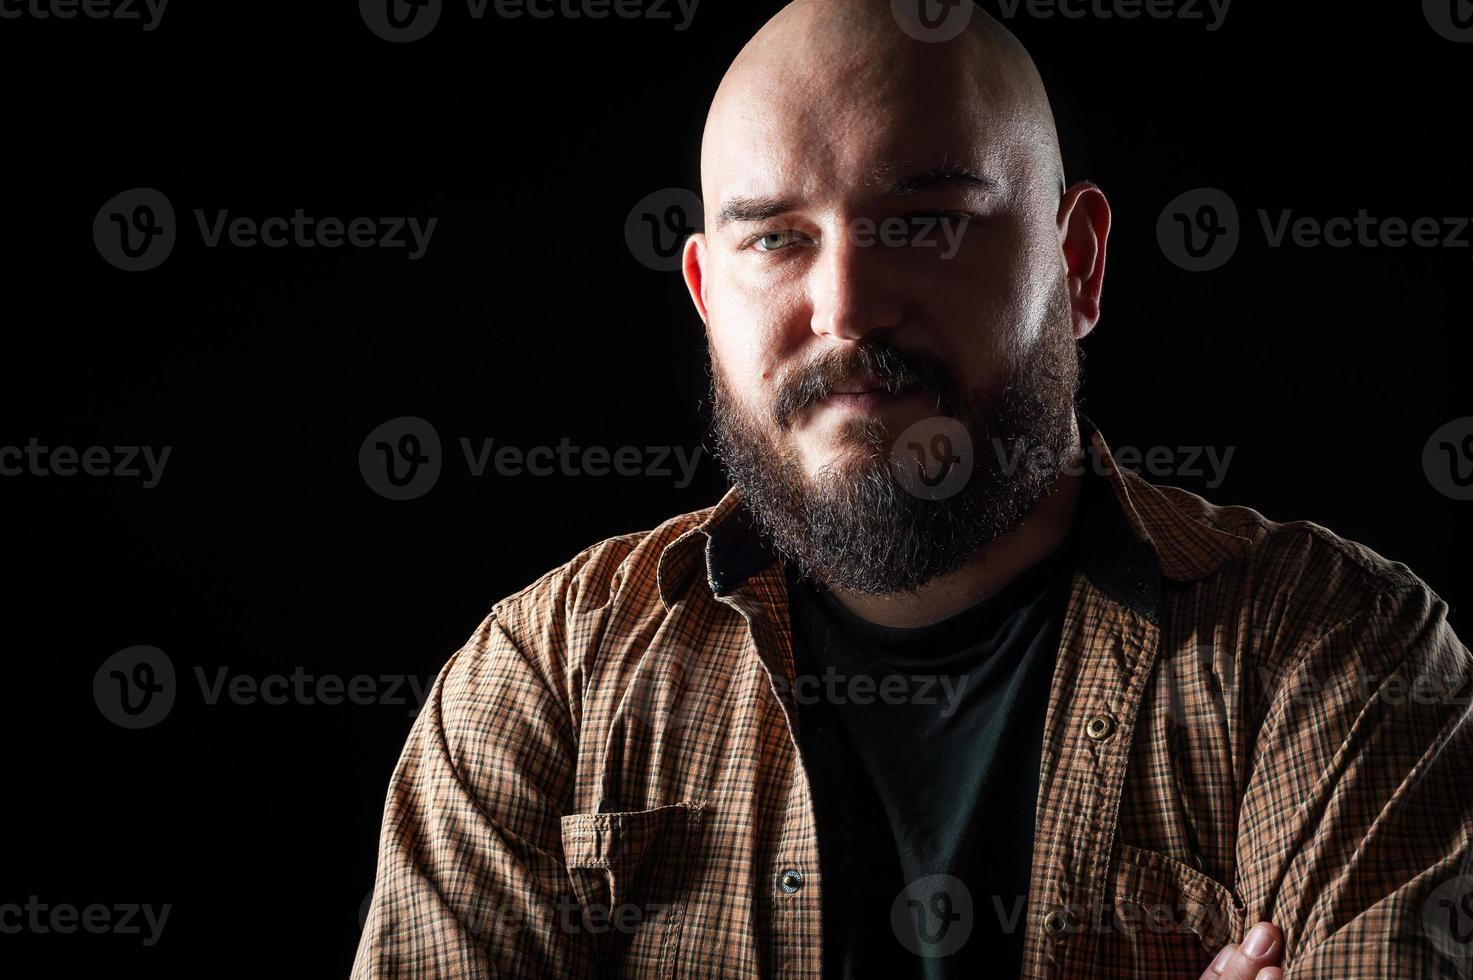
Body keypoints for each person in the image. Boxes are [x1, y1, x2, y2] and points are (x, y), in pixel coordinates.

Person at [353, 2, 1473, 977]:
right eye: (777, 238)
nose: (845, 307)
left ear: (1077, 262)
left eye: (926, 223)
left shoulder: (1338, 659)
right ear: (705, 296)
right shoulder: (542, 687)